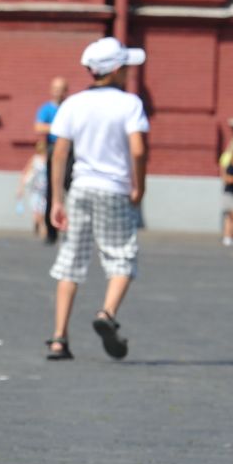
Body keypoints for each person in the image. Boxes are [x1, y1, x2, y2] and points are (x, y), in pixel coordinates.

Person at [45, 38, 148, 362]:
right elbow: (138, 149)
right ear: (116, 70)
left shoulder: (72, 104)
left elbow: (59, 152)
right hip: (115, 189)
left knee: (71, 260)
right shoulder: (129, 103)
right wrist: (139, 186)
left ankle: (59, 338)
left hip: (80, 188)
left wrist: (56, 199)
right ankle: (106, 312)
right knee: (121, 257)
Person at [34, 76, 68, 243]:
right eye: (54, 88)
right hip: (53, 149)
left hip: (71, 150)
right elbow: (38, 126)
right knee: (52, 189)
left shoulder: (70, 108)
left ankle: (71, 228)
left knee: (71, 189)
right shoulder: (46, 109)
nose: (57, 92)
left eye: (60, 89)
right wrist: (59, 127)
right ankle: (51, 232)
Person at [17, 148, 49, 239]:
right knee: (36, 209)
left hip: (45, 189)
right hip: (35, 189)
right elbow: (25, 172)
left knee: (43, 209)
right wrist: (20, 188)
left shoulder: (49, 159)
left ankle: (40, 224)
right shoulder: (35, 159)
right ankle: (40, 226)